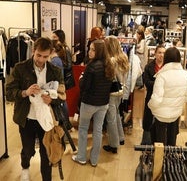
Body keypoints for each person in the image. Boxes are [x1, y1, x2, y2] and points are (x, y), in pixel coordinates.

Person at [6, 37, 65, 181]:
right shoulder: (21, 68)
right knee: (28, 149)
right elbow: (9, 93)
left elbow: (63, 94)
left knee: (46, 151)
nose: (41, 59)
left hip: (46, 119)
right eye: (38, 55)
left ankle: (47, 178)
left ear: (50, 54)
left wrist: (52, 99)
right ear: (33, 51)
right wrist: (25, 92)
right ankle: (25, 167)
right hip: (27, 117)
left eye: (45, 56)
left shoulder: (55, 71)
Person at [72, 39, 114, 167]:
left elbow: (84, 86)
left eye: (93, 49)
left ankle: (81, 157)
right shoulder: (109, 65)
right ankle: (94, 159)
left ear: (99, 51)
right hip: (103, 103)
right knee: (98, 130)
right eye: (90, 48)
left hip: (89, 102)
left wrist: (80, 79)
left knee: (83, 129)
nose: (90, 52)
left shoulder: (91, 66)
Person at [148, 47, 187, 146]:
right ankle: (171, 160)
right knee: (172, 141)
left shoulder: (162, 75)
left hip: (160, 114)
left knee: (159, 143)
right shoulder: (185, 75)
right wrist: (178, 100)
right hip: (175, 114)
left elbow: (156, 99)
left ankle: (160, 160)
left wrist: (150, 106)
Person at [102, 36, 129, 153]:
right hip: (121, 90)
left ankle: (114, 144)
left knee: (111, 118)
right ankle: (121, 137)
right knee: (117, 114)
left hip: (112, 92)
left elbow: (110, 77)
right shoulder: (124, 57)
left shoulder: (111, 61)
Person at [141, 45, 165, 145]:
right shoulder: (148, 67)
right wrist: (159, 83)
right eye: (159, 52)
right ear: (155, 54)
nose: (161, 55)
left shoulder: (167, 68)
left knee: (160, 121)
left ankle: (159, 142)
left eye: (163, 53)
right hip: (151, 97)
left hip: (164, 100)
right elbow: (147, 82)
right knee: (148, 120)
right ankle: (146, 143)